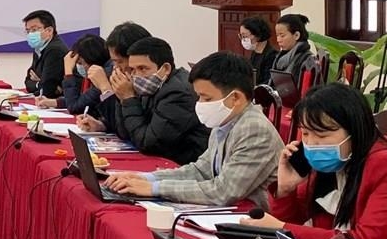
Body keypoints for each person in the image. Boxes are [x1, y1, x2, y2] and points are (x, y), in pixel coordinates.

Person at [105, 52, 283, 206]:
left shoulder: (254, 129)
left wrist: (155, 188)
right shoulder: (226, 120)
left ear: (235, 98)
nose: (200, 104)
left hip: (253, 217)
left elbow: (223, 191)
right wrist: (146, 178)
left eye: (206, 98)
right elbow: (200, 170)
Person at [242, 82, 387, 239]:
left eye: (322, 135)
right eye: (305, 133)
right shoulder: (329, 166)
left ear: (355, 130)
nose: (312, 143)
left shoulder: (381, 165)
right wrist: (285, 190)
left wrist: (281, 228)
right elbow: (299, 228)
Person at [110, 37, 210, 165]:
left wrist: (129, 99)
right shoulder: (152, 86)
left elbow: (149, 144)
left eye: (142, 68)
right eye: (133, 70)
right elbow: (125, 134)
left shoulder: (178, 93)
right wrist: (122, 99)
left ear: (165, 69)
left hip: (182, 164)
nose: (136, 75)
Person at [76, 21, 151, 136]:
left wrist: (106, 89)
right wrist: (101, 125)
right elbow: (120, 124)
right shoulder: (118, 74)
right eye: (114, 62)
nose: (116, 67)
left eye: (119, 61)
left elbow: (133, 133)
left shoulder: (151, 85)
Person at [36, 34, 111, 118]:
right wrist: (54, 102)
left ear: (91, 59)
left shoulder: (103, 75)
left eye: (80, 63)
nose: (79, 66)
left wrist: (68, 72)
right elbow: (81, 99)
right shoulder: (93, 73)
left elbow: (74, 107)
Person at [22, 10, 67, 98]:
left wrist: (40, 83)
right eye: (28, 31)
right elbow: (28, 82)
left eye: (34, 30)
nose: (30, 34)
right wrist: (40, 83)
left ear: (49, 30)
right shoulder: (39, 47)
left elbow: (47, 90)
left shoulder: (55, 50)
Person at [270, 13, 315, 86]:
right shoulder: (280, 56)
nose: (278, 40)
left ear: (296, 35)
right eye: (277, 35)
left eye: (282, 36)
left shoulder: (306, 59)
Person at [240, 16, 278, 87]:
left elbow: (267, 83)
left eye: (244, 36)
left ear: (257, 34)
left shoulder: (272, 55)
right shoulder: (255, 52)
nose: (243, 39)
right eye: (241, 36)